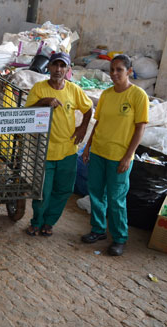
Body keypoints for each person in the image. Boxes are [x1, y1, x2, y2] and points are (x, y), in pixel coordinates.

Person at [81, 54, 149, 256]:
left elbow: (140, 128)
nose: (114, 73)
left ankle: (119, 238)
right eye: (112, 69)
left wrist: (128, 156)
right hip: (99, 152)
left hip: (119, 156)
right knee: (95, 193)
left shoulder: (138, 95)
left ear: (129, 71)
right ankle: (98, 230)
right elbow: (99, 123)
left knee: (116, 198)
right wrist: (88, 147)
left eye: (119, 69)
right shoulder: (107, 95)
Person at [25, 52, 93, 237]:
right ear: (48, 67)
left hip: (68, 150)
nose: (58, 69)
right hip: (45, 150)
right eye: (55, 65)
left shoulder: (73, 90)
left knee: (64, 190)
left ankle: (49, 222)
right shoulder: (39, 88)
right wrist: (43, 102)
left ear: (68, 70)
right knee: (42, 192)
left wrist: (82, 128)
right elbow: (27, 112)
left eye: (62, 66)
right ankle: (36, 221)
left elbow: (88, 109)